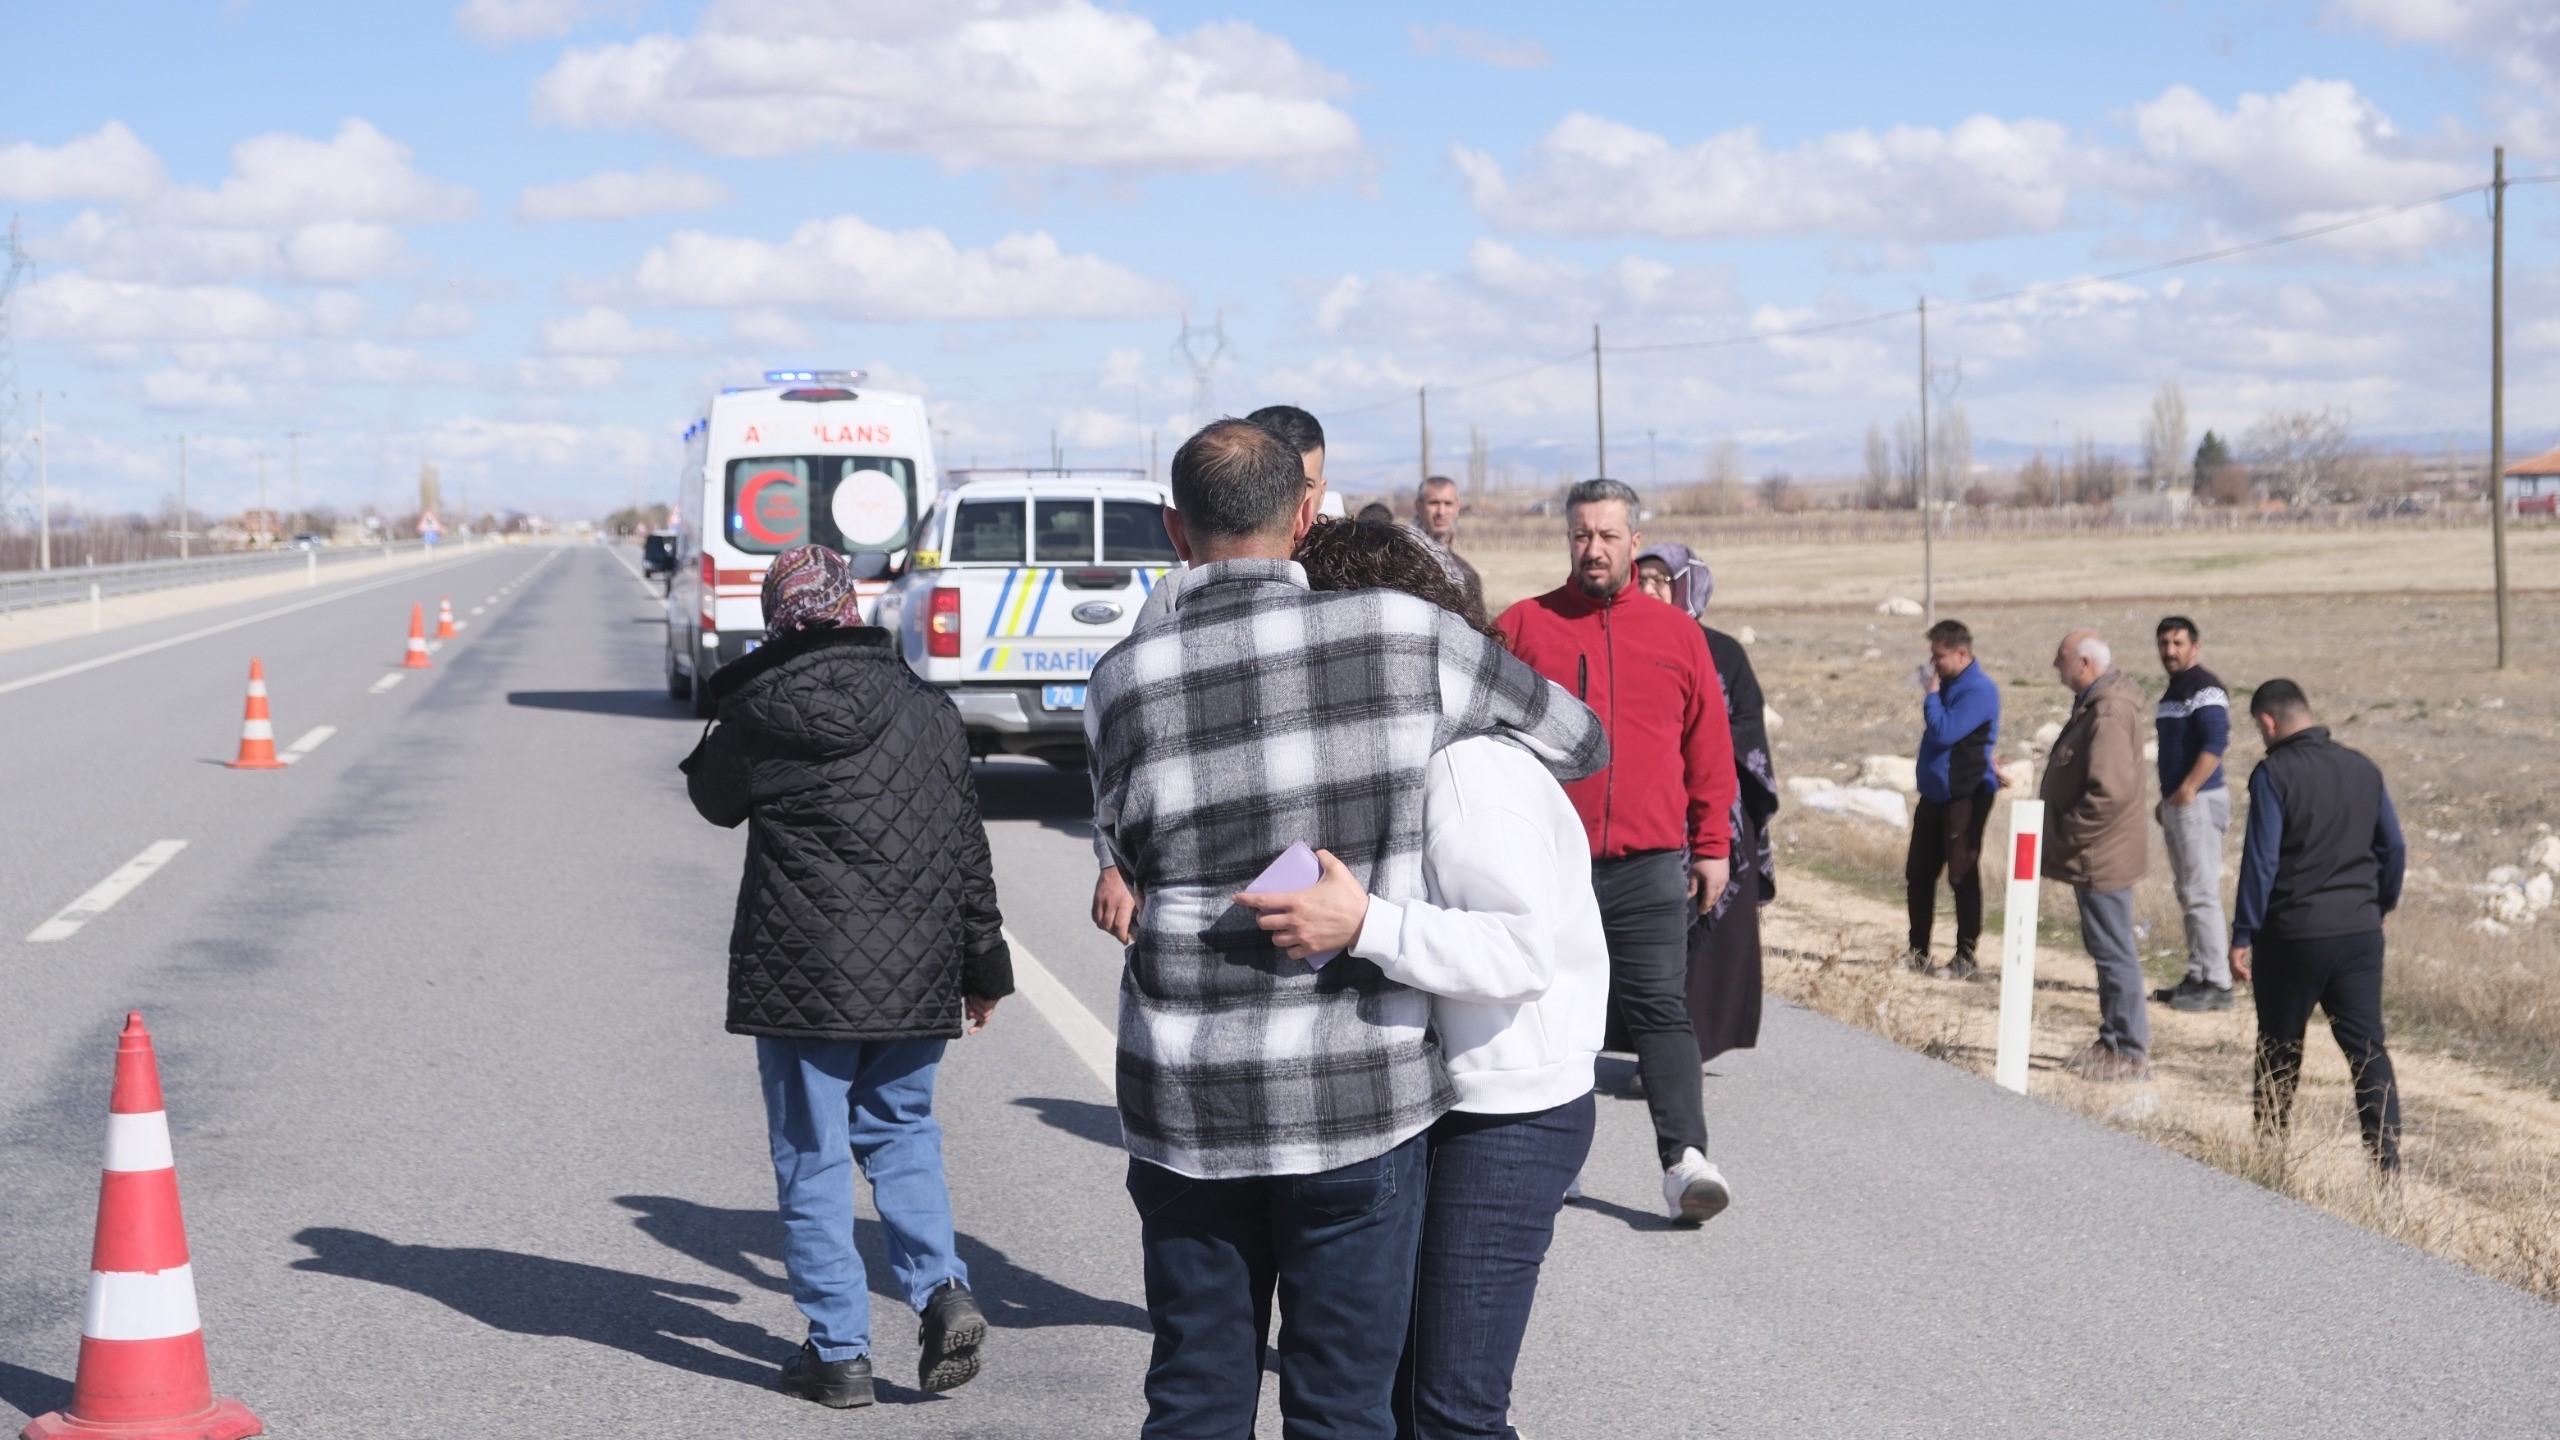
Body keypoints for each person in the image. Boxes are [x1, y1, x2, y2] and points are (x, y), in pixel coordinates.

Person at [1086, 421, 1606, 1438]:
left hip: (1184, 1103)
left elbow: (1128, 855)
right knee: (1340, 1405)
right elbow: (1578, 741)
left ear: (1172, 532)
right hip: (1353, 1094)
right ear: (1308, 516)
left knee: (1194, 1391)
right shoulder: (1404, 640)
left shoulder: (1119, 682)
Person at [1247, 518, 1607, 1440]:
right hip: (1461, 1101)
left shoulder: (1467, 768)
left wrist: (1365, 923)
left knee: (1452, 1413)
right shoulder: (1427, 748)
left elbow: (1518, 952)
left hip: (1507, 1115)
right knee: (1416, 1403)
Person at [683, 543, 1011, 1409]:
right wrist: (985, 962)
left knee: (814, 1156)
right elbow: (965, 847)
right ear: (849, 603)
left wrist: (736, 691)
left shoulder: (763, 708)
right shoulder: (927, 705)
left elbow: (714, 801)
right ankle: (941, 1290)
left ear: (778, 615)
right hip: (916, 970)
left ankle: (839, 1354)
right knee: (903, 1133)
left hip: (805, 975)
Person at [1496, 478, 1740, 1226]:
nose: (1593, 548)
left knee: (1661, 1010)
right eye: (1580, 535)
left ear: (1636, 543)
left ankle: (1685, 1163)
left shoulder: (1678, 637)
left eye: (1607, 536)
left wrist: (1712, 846)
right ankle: (1553, 1165)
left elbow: (1709, 748)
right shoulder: (1522, 627)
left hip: (1647, 863)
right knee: (1552, 1009)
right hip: (1550, 863)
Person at [1093, 405, 1334, 943]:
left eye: (1313, 484)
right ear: (1298, 513)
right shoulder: (1386, 626)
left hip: (1317, 926)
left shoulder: (1354, 590)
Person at [2230, 679, 2407, 1173]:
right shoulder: (2363, 768)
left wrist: (2244, 932)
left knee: (2279, 1046)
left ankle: (2268, 1158)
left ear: (2268, 722)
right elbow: (2392, 849)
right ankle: (2386, 1167)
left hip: (2293, 936)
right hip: (2358, 934)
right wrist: (2380, 907)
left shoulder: (2273, 773)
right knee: (2368, 1051)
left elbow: (2261, 862)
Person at [1637, 543, 1777, 1062]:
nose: (1649, 589)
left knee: (1705, 930)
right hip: (1648, 807)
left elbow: (1747, 729)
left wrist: (1697, 749)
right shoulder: (1628, 641)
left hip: (1714, 812)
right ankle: (1655, 1048)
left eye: (1661, 580)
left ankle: (1689, 1047)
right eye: (1642, 578)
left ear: (1688, 586)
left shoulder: (1723, 653)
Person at [2038, 629, 2151, 1081]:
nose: (2055, 666)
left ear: (2085, 663)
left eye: (2061, 657)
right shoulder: (2099, 704)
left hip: (2099, 853)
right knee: (2107, 948)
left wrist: (2067, 835)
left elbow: (2108, 792)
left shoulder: (2107, 710)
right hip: (2098, 851)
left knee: (2113, 951)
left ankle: (2127, 1051)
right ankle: (2114, 1041)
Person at [1904, 618, 2002, 979]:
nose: (1933, 664)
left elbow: (1944, 732)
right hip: (1934, 795)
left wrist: (1930, 694)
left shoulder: (1979, 690)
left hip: (1965, 795)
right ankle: (1917, 952)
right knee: (1918, 874)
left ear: (1961, 653)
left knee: (1961, 874)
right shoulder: (1948, 684)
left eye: (1939, 656)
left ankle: (1965, 956)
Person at [2149, 616, 2235, 1011]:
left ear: (2194, 647)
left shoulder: (2205, 687)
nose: (2170, 650)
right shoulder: (2175, 690)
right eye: (2164, 642)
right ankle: (2198, 974)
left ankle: (2218, 983)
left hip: (2198, 800)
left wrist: (2186, 789)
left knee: (2200, 892)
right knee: (2187, 891)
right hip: (2180, 801)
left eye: (2178, 643)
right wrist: (2168, 797)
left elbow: (2216, 741)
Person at [1409, 474, 1486, 619]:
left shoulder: (1466, 572)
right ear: (1418, 506)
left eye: (1448, 503)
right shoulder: (1402, 553)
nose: (1441, 512)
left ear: (1457, 507)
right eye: (1434, 503)